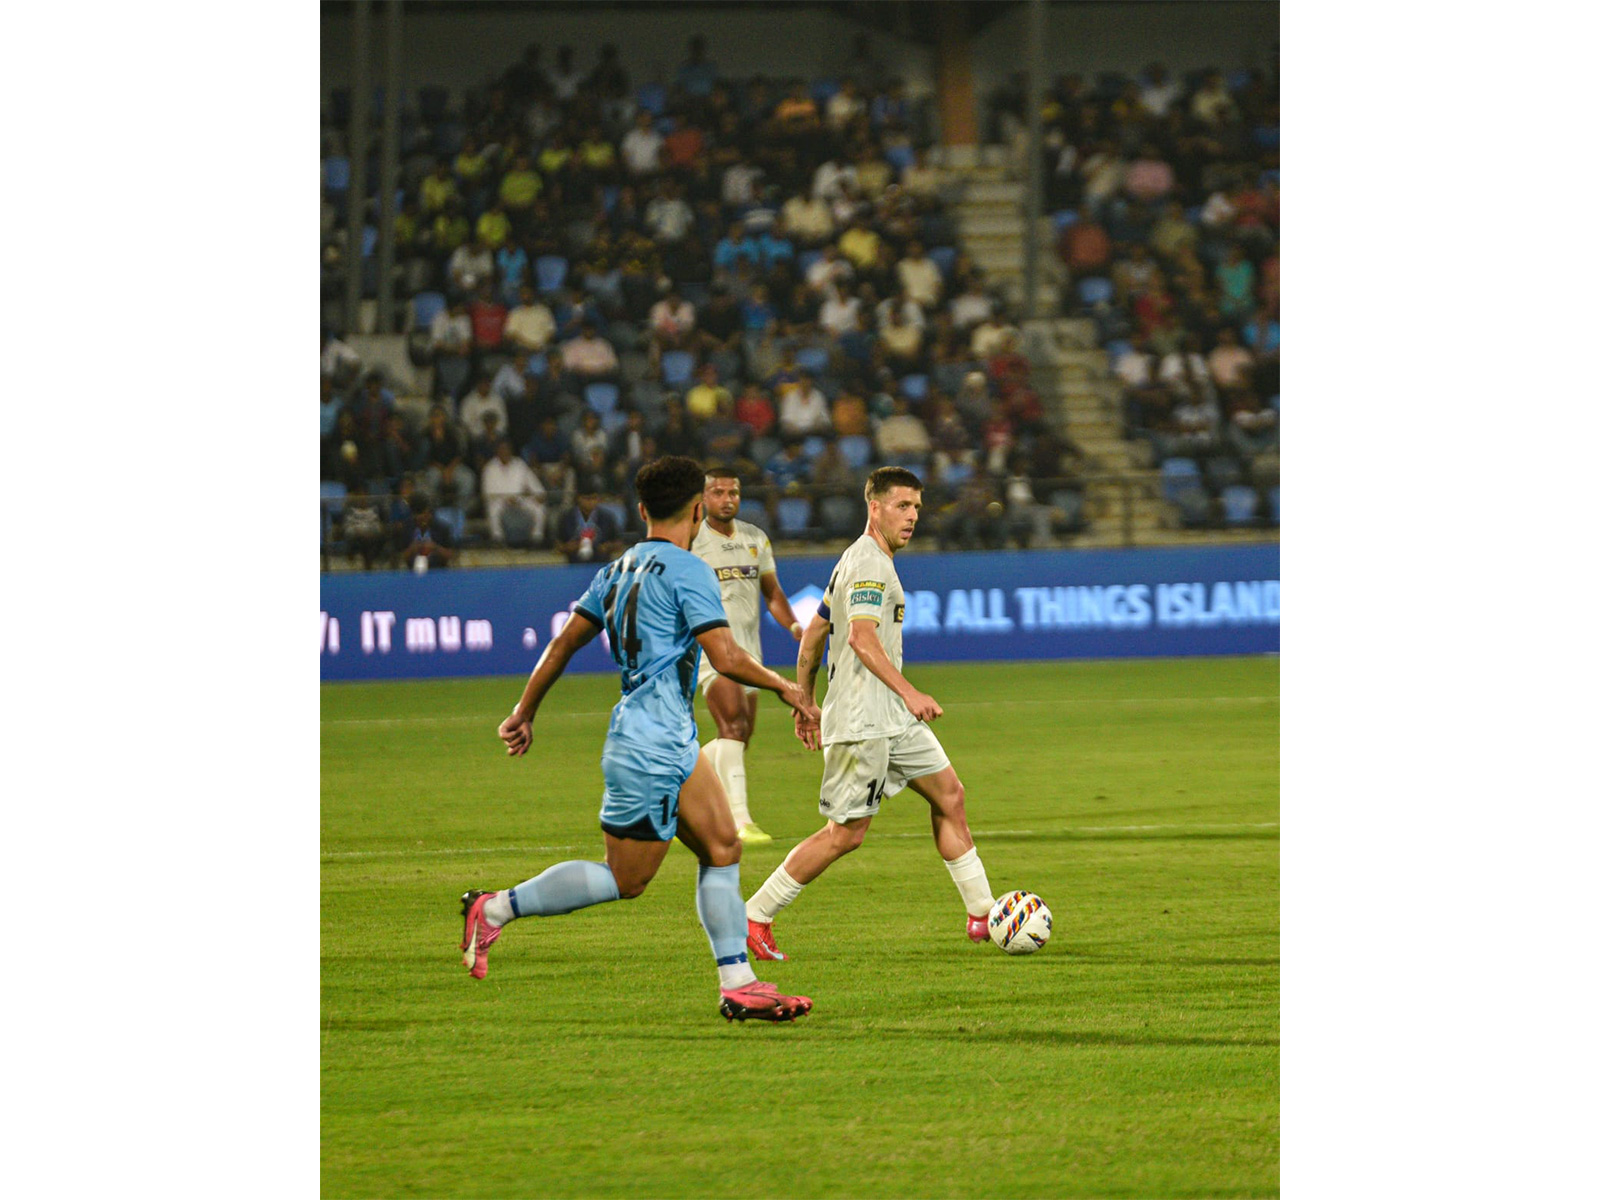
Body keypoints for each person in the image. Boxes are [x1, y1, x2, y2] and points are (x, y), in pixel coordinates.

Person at [462, 457, 818, 1023]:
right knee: (626, 880)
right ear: (698, 511)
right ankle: (494, 909)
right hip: (647, 744)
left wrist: (524, 710)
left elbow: (563, 645)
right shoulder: (688, 569)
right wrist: (787, 689)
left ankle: (739, 983)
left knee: (723, 847)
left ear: (642, 509)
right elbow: (725, 657)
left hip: (673, 735)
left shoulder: (618, 568)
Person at [745, 467, 998, 960]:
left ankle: (982, 913)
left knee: (950, 795)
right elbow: (860, 638)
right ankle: (756, 914)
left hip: (892, 721)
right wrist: (907, 691)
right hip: (865, 721)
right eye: (902, 506)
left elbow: (816, 633)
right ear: (874, 507)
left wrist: (805, 699)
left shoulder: (857, 561)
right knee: (846, 835)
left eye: (918, 508)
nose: (912, 517)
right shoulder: (868, 564)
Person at [691, 469, 807, 846]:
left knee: (739, 739)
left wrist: (794, 627)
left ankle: (676, 791)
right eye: (718, 492)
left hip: (749, 653)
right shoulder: (691, 542)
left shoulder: (755, 539)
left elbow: (772, 593)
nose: (727, 499)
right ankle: (739, 821)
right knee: (733, 729)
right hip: (712, 650)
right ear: (704, 497)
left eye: (734, 492)